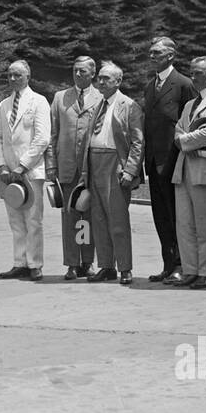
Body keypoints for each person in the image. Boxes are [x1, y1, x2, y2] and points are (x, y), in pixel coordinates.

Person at [78, 62, 145, 285]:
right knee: (97, 219)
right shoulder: (97, 104)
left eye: (107, 78)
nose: (101, 82)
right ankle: (106, 266)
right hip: (94, 162)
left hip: (115, 163)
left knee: (117, 219)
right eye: (100, 78)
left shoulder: (129, 105)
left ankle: (125, 267)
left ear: (118, 81)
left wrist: (130, 170)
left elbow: (137, 142)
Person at [168, 57, 206, 290]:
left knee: (204, 224)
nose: (194, 77)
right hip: (183, 169)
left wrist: (184, 140)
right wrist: (186, 138)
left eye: (200, 73)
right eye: (192, 73)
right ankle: (190, 269)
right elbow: (178, 129)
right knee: (184, 223)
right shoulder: (189, 104)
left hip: (204, 169)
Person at [141, 38, 197, 283]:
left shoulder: (184, 84)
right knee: (160, 215)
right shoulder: (150, 86)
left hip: (173, 159)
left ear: (171, 56)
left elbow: (191, 121)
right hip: (154, 161)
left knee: (176, 215)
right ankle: (168, 263)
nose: (152, 56)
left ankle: (181, 265)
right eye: (150, 52)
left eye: (157, 52)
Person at [0, 59, 52, 281]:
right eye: (10, 75)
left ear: (28, 76)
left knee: (33, 219)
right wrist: (1, 165)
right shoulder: (4, 104)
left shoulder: (39, 101)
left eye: (17, 75)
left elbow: (42, 138)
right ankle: (20, 262)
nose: (13, 79)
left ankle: (35, 263)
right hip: (8, 173)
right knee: (15, 219)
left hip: (30, 171)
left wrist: (22, 165)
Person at [46, 55, 100, 280]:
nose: (78, 74)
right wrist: (51, 165)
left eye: (83, 72)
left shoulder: (100, 98)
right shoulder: (60, 98)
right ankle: (71, 263)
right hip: (66, 166)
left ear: (93, 74)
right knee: (70, 217)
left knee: (86, 216)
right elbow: (52, 133)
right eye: (75, 71)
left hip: (90, 167)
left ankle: (87, 262)